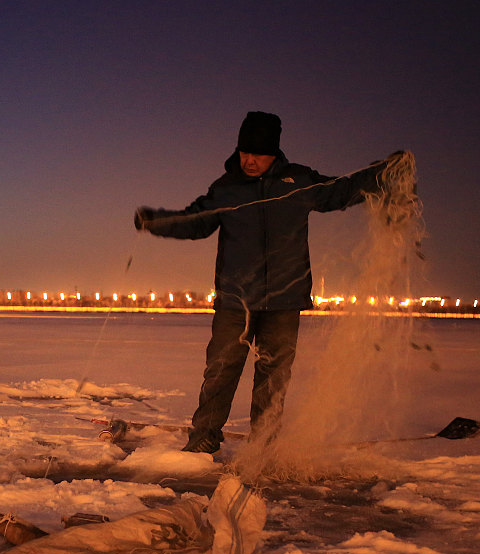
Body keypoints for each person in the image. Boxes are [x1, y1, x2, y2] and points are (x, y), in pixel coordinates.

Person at [135, 111, 402, 453]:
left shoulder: (299, 181)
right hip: (236, 302)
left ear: (274, 152)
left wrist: (384, 171)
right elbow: (195, 222)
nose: (249, 160)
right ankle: (204, 438)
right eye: (245, 152)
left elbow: (342, 190)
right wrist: (155, 221)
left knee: (273, 381)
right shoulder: (226, 188)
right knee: (219, 372)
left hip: (284, 302)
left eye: (258, 154)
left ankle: (263, 446)